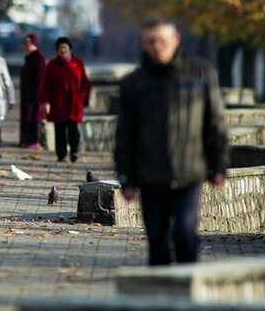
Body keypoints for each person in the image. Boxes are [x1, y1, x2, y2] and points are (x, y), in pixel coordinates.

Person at [114, 16, 228, 266]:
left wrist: (219, 164)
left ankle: (188, 290)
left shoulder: (200, 73)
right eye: (151, 41)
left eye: (163, 41)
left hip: (189, 174)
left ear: (176, 40)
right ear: (144, 45)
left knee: (185, 235)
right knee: (158, 244)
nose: (158, 47)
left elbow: (215, 122)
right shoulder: (134, 83)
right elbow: (125, 135)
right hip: (150, 176)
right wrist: (126, 178)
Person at [39, 37, 91, 163]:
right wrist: (45, 101)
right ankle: (61, 155)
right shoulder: (52, 65)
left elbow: (85, 82)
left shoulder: (78, 63)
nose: (63, 50)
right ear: (57, 50)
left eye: (65, 48)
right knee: (60, 130)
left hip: (74, 103)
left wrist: (85, 96)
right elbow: (45, 84)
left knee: (74, 129)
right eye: (60, 48)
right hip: (58, 103)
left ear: (69, 49)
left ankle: (74, 151)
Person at [19, 33, 47, 149]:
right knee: (27, 117)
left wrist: (38, 94)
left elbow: (40, 77)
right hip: (27, 93)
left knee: (35, 117)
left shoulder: (39, 58)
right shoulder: (29, 57)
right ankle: (26, 141)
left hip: (34, 94)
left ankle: (35, 141)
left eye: (28, 44)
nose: (26, 46)